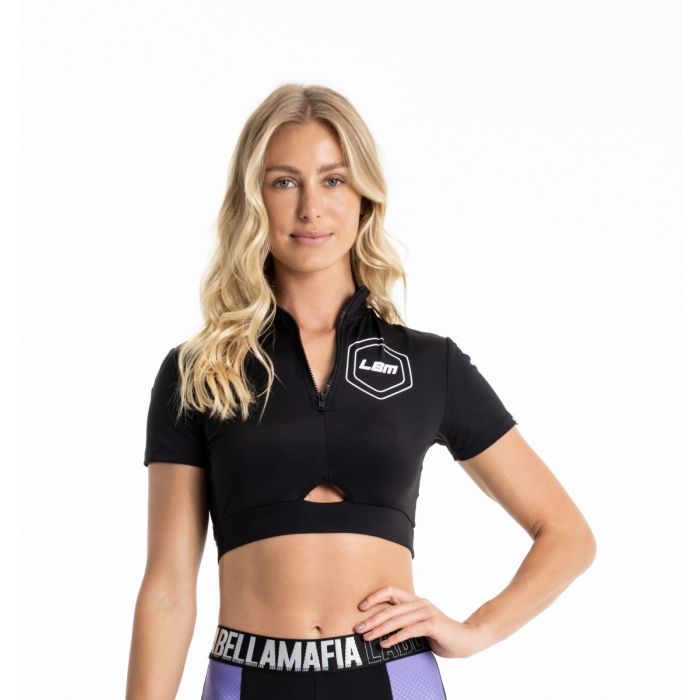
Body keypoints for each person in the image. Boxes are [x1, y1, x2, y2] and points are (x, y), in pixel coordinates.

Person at [125, 84, 596, 700]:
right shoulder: (200, 371)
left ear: (364, 197)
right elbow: (167, 590)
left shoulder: (430, 365)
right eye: (284, 182)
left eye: (333, 180)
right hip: (247, 681)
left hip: (394, 678)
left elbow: (566, 534)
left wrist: (475, 631)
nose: (311, 209)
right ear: (253, 199)